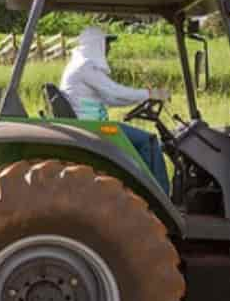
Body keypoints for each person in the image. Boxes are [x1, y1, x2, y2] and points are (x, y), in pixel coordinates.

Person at [59, 26, 171, 194]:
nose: (108, 48)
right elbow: (116, 92)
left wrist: (142, 97)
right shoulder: (85, 67)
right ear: (96, 44)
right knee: (149, 141)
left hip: (91, 126)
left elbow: (110, 99)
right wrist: (149, 93)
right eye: (106, 44)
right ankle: (162, 198)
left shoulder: (79, 65)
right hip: (96, 129)